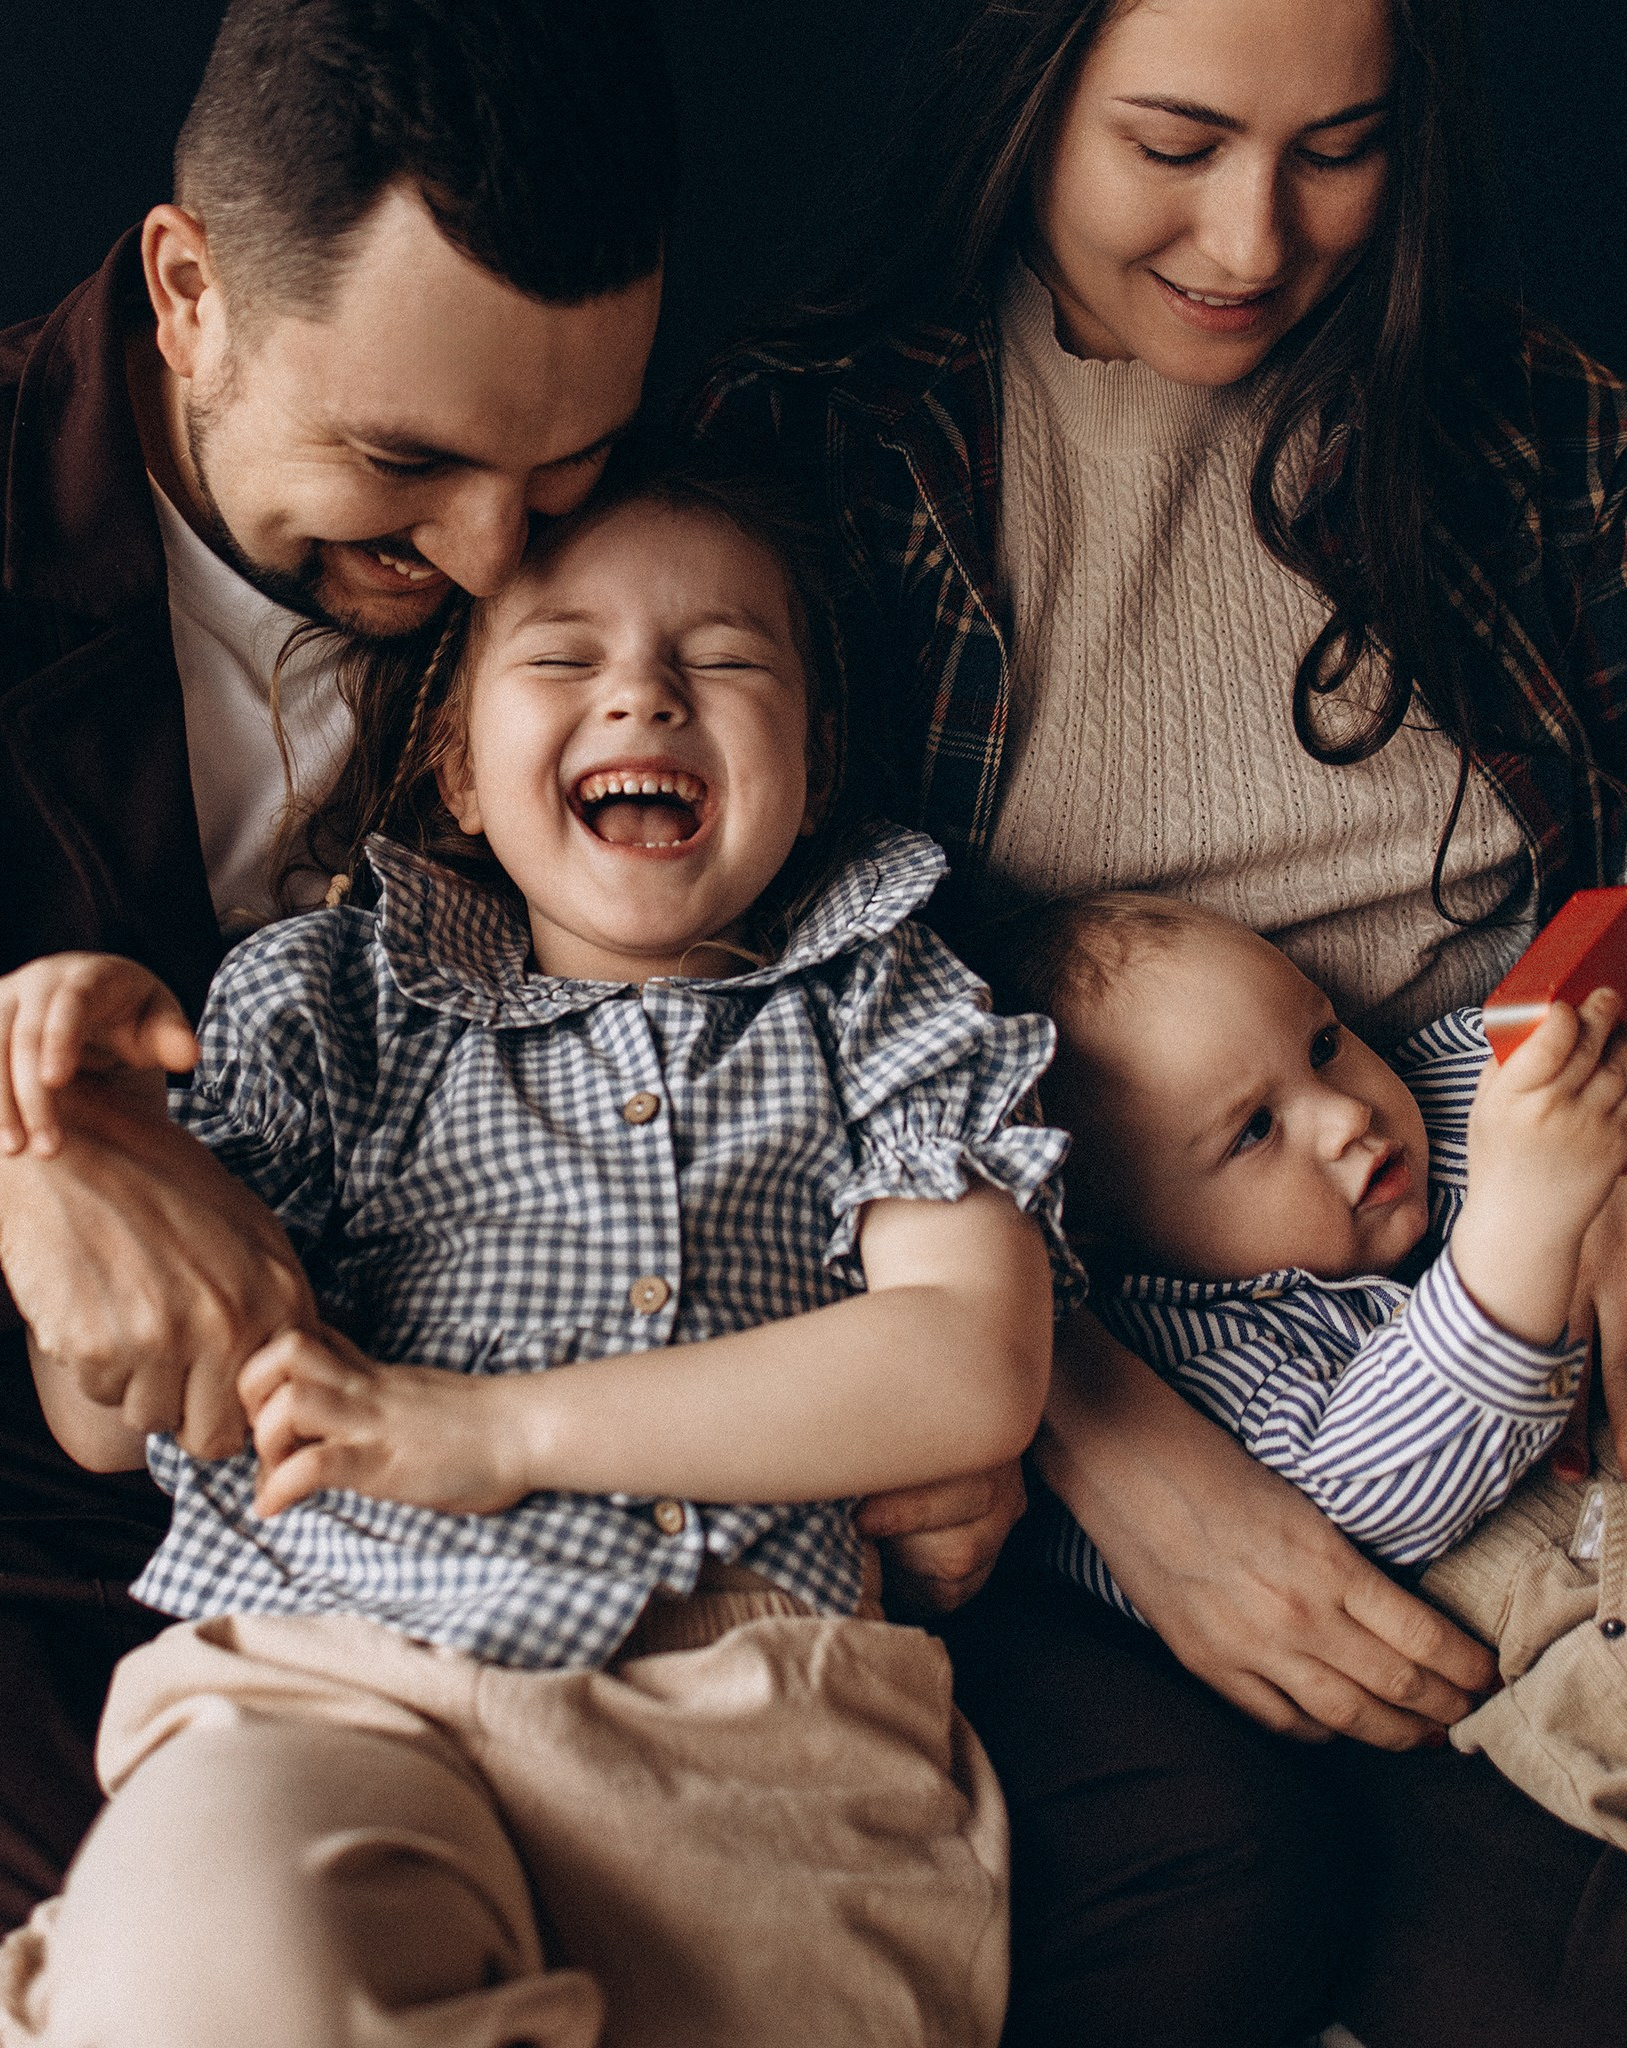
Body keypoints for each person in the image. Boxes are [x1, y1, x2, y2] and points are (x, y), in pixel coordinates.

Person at [0, 0, 1010, 1934]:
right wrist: (25, 1128)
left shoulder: (620, 543)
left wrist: (1011, 1425)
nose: (486, 556)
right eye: (406, 460)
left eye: (567, 466)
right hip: (147, 1528)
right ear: (187, 289)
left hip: (686, 1529)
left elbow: (862, 1073)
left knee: (1190, 1855)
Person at [686, 0, 1627, 2040]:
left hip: (1540, 1211)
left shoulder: (1527, 428)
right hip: (1125, 1365)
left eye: (1335, 149)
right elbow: (747, 1043)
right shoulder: (829, 463)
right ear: (1023, 97)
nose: (1250, 237)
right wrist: (1102, 1438)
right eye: (1172, 141)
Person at [0, 464, 1069, 2045]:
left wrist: (499, 1432)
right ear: (453, 765)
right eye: (562, 656)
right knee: (204, 1978)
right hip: (338, 1668)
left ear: (814, 756)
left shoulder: (886, 1002)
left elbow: (968, 1362)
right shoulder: (323, 999)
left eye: (722, 660)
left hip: (753, 1726)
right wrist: (95, 1149)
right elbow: (114, 1420)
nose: (641, 691)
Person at [991, 886, 1627, 1858]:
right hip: (1579, 1617)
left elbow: (1576, 1020)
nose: (1343, 1115)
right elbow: (1353, 1515)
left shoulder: (1443, 1081)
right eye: (1252, 1130)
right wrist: (1520, 1229)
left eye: (1323, 1042)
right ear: (1103, 1237)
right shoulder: (1180, 1350)